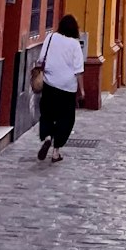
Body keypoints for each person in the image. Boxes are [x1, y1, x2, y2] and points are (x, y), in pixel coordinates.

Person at [36, 13, 85, 162]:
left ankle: (48, 137)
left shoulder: (50, 37)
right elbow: (78, 70)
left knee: (47, 114)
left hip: (50, 84)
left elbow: (41, 59)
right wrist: (81, 90)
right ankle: (56, 151)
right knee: (66, 119)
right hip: (67, 88)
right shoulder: (75, 44)